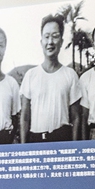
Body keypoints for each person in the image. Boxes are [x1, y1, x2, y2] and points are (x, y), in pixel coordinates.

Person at [20, 14, 82, 143]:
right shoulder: (30, 75)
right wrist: (23, 148)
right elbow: (25, 118)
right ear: (41, 41)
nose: (50, 42)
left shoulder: (70, 75)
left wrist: (75, 148)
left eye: (55, 36)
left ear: (61, 41)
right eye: (46, 37)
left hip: (62, 139)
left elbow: (76, 118)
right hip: (35, 141)